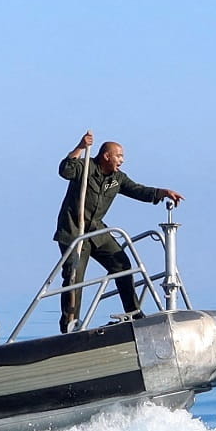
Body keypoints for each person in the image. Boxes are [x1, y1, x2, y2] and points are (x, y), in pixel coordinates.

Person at [53, 131, 183, 333]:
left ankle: (133, 312)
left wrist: (161, 192)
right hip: (73, 231)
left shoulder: (117, 178)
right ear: (107, 156)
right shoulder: (85, 167)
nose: (122, 160)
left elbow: (137, 190)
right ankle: (69, 327)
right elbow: (65, 170)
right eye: (119, 156)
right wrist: (80, 146)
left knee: (122, 264)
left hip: (96, 230)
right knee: (74, 277)